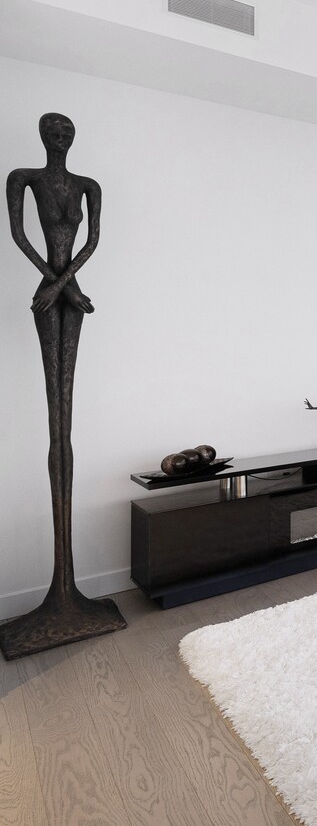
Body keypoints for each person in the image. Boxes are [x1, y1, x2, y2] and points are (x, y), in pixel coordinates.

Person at [2, 113, 124, 657]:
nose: (60, 140)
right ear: (42, 137)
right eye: (53, 132)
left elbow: (93, 239)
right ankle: (58, 595)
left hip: (69, 297)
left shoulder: (88, 187)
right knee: (56, 427)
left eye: (67, 133)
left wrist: (65, 285)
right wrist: (53, 286)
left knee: (67, 425)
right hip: (51, 298)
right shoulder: (22, 177)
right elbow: (18, 234)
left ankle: (69, 591)